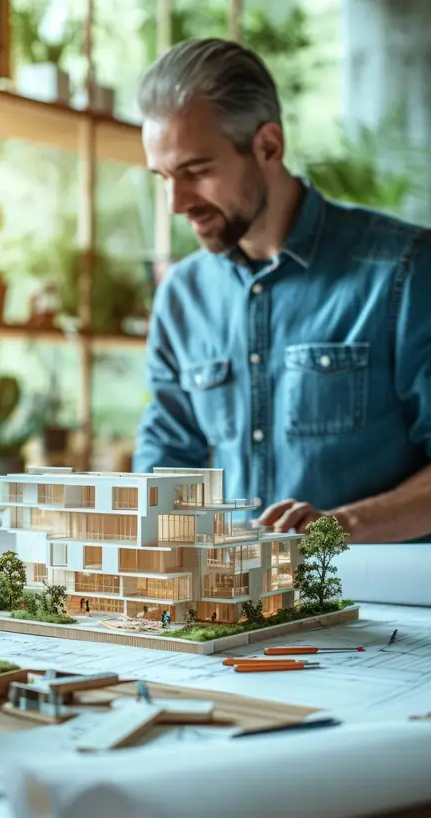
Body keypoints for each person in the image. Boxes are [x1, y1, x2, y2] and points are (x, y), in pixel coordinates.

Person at [132, 38, 431, 543]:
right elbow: (167, 463)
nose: (176, 203)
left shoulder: (404, 270)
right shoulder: (181, 296)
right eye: (163, 177)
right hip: (232, 607)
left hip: (387, 605)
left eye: (197, 172)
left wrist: (338, 528)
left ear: (268, 146)